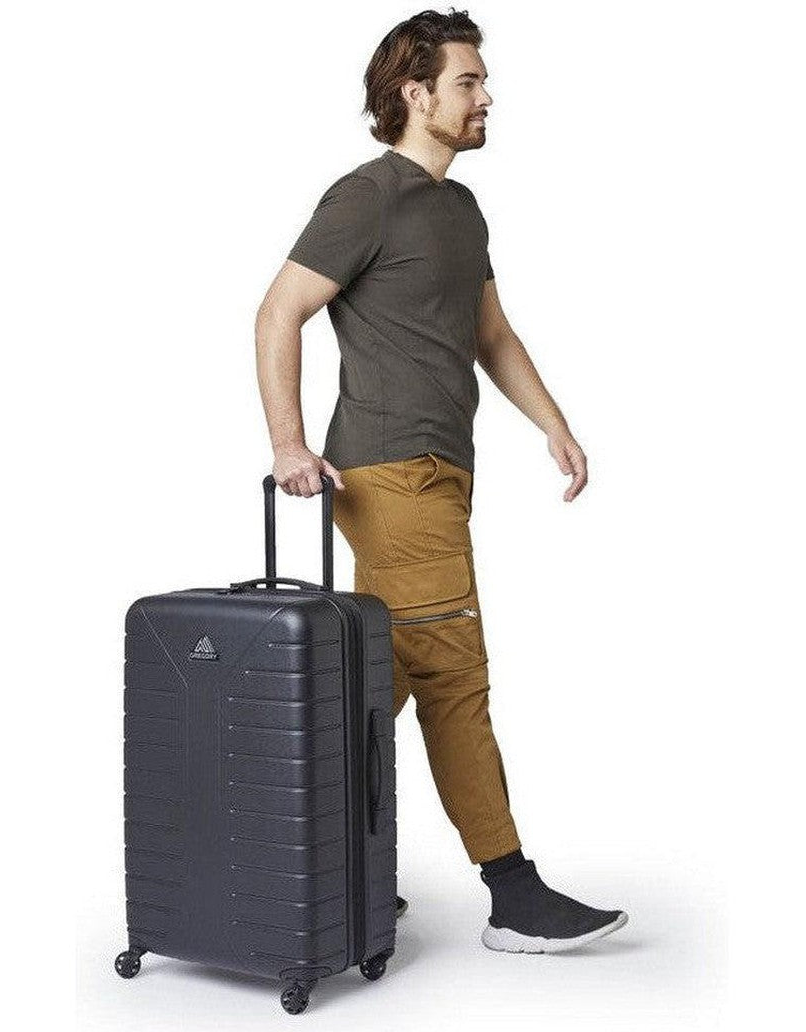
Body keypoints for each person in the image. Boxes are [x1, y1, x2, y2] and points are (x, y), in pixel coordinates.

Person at [254, 7, 628, 953]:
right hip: (391, 474)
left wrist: (554, 425)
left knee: (381, 678)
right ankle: (512, 893)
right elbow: (278, 311)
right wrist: (289, 444)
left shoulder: (460, 211)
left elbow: (490, 334)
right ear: (416, 94)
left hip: (442, 473)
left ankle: (298, 852)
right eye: (469, 81)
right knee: (454, 670)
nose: (486, 96)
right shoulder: (366, 196)